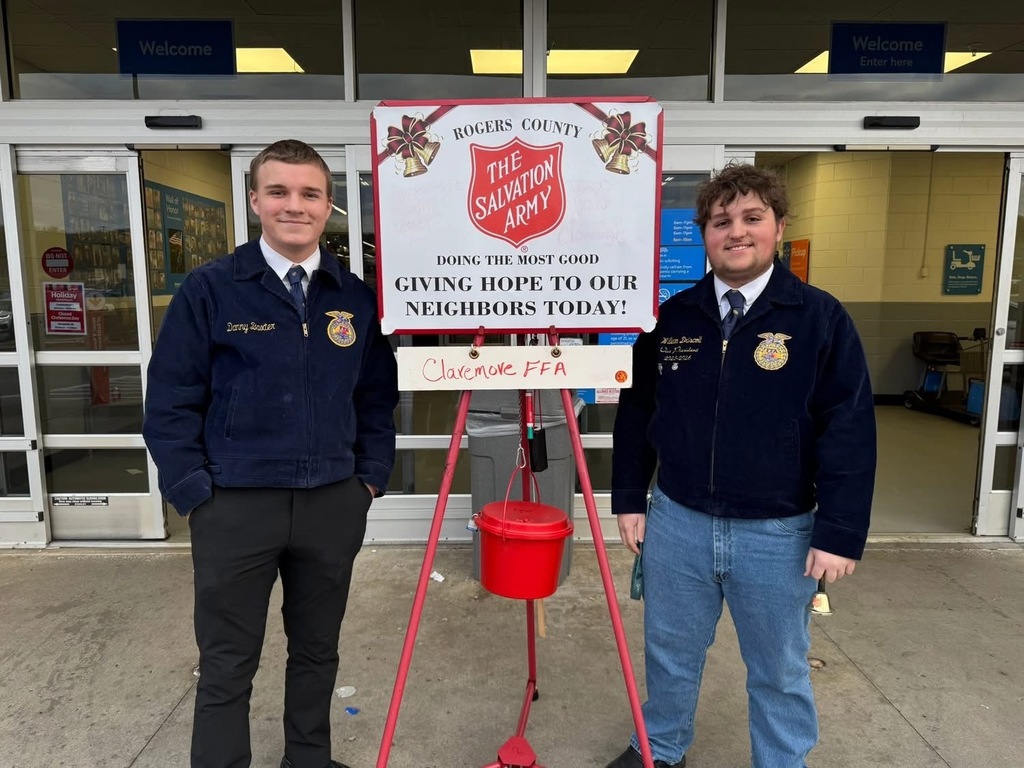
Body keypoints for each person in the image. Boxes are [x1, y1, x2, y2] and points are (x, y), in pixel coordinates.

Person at [606, 163, 876, 768]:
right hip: (678, 523)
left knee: (778, 667)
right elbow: (639, 409)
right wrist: (628, 495)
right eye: (721, 221)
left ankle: (782, 760)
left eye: (752, 218)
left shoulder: (819, 319)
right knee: (669, 652)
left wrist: (838, 533)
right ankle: (661, 747)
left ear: (779, 227)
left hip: (777, 534)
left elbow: (850, 430)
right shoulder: (673, 319)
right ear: (703, 232)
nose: (737, 232)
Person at [143, 139, 398, 768]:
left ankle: (307, 760)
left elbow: (375, 397)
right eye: (279, 191)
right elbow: (169, 402)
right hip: (235, 505)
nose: (294, 206)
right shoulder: (211, 291)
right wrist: (195, 494)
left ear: (329, 206)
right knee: (228, 661)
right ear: (255, 199)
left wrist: (366, 482)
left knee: (318, 651)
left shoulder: (354, 298)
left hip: (330, 504)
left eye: (309, 194)